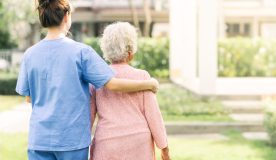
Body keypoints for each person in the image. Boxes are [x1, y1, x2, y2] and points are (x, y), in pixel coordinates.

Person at [15, 0, 158, 160]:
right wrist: (148, 84)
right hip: (72, 141)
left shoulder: (30, 54)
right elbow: (113, 84)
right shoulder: (81, 52)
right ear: (66, 16)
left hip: (39, 140)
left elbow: (29, 97)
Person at [90, 22, 170, 160]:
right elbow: (154, 117)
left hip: (107, 142)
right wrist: (164, 148)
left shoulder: (97, 79)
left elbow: (88, 118)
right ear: (130, 52)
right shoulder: (143, 77)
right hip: (139, 143)